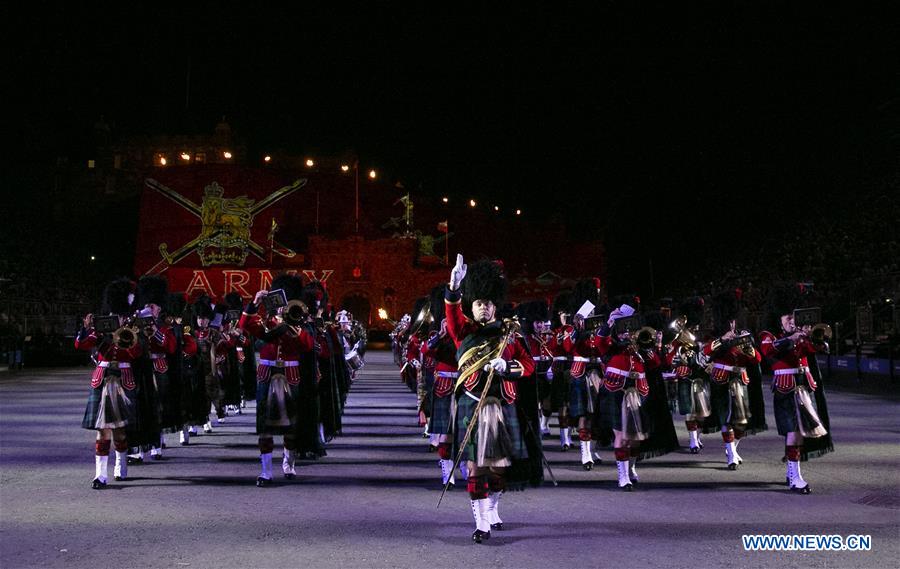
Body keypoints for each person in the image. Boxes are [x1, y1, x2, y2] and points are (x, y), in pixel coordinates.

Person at [444, 255, 535, 543]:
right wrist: (453, 288)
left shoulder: (510, 335)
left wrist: (507, 366)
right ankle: (481, 523)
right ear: (471, 307)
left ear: (495, 306)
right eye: (478, 303)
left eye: (488, 303)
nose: (483, 307)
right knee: (476, 466)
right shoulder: (464, 332)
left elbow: (529, 364)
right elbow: (452, 315)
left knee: (499, 468)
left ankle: (493, 507)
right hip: (473, 404)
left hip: (502, 405)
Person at [240, 274, 316, 486]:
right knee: (265, 425)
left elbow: (308, 346)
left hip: (290, 375)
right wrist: (255, 303)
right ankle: (266, 471)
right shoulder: (266, 322)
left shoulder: (298, 323)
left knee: (291, 424)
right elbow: (245, 324)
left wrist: (293, 325)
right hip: (267, 375)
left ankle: (288, 463)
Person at [758, 284, 833, 494]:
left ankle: (792, 473)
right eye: (787, 317)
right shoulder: (769, 334)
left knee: (799, 433)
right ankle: (795, 477)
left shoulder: (800, 334)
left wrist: (812, 336)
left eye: (794, 316)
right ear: (778, 318)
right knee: (794, 432)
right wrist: (790, 339)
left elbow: (818, 348)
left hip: (804, 386)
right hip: (785, 388)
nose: (791, 321)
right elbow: (768, 349)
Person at [76, 278, 141, 489]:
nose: (117, 317)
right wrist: (86, 329)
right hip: (103, 379)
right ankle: (100, 475)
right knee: (102, 429)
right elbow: (81, 345)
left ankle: (121, 465)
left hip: (123, 379)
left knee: (119, 431)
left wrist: (123, 337)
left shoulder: (133, 328)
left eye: (120, 314)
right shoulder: (101, 328)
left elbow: (135, 353)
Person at [703, 290, 767, 470]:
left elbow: (757, 359)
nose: (731, 324)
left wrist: (749, 349)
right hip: (721, 378)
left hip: (740, 378)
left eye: (732, 321)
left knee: (741, 421)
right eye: (728, 321)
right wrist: (723, 339)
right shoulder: (714, 336)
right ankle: (731, 452)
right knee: (726, 418)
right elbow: (706, 351)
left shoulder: (743, 334)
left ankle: (732, 448)